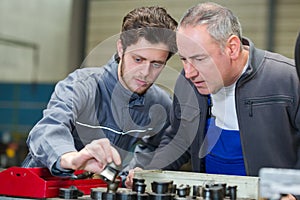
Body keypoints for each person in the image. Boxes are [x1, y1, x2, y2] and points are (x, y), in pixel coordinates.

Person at [126, 3, 300, 198]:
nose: (189, 72)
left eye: (200, 58)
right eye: (184, 59)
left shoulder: (288, 80)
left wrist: (294, 194)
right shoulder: (188, 82)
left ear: (232, 48)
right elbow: (180, 138)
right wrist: (150, 171)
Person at [22, 6, 178, 178]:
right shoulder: (81, 86)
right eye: (138, 59)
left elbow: (163, 144)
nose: (145, 72)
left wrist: (137, 171)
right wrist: (72, 158)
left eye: (156, 64)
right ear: (121, 48)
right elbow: (46, 130)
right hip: (37, 189)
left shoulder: (160, 103)